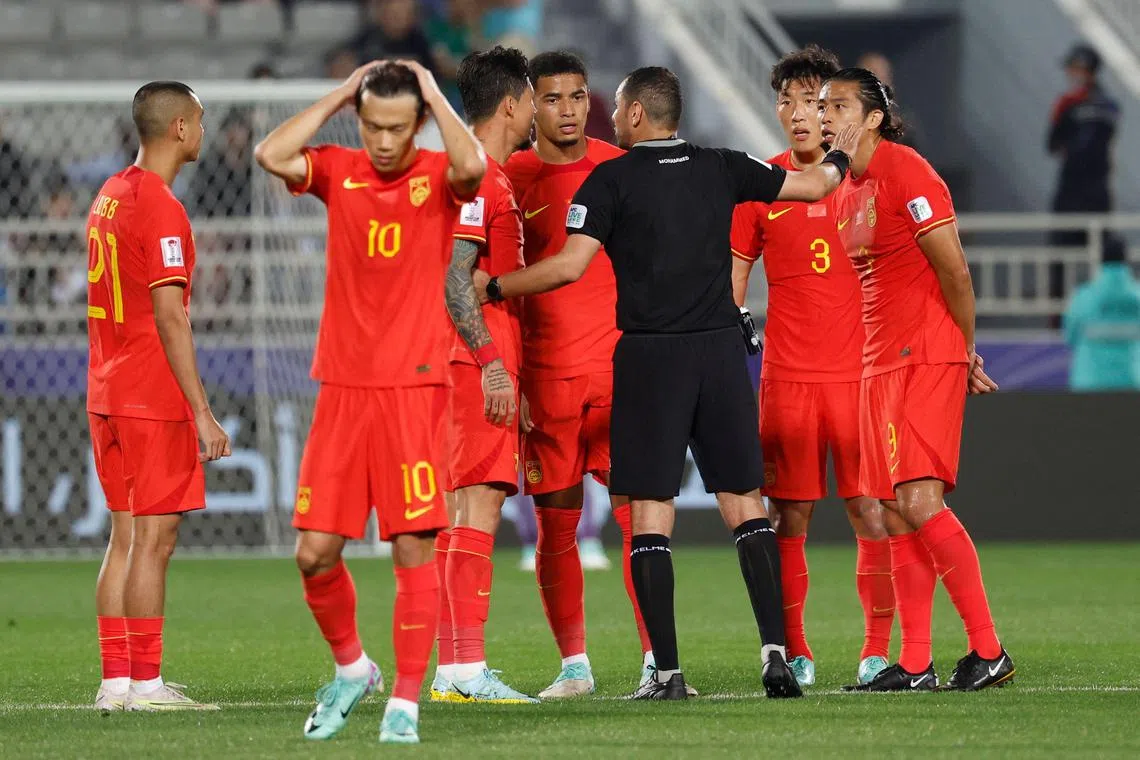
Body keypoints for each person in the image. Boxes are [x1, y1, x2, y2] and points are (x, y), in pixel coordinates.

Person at [477, 65, 861, 700]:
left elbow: (570, 266)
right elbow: (816, 183)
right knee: (747, 508)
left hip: (651, 360)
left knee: (650, 518)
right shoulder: (725, 165)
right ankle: (777, 656)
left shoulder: (611, 178)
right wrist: (842, 150)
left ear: (632, 116)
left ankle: (669, 673)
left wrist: (493, 286)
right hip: (718, 354)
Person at [254, 59, 485, 743]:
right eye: (373, 127)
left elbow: (471, 166)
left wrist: (434, 93)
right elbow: (273, 153)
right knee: (314, 553)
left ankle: (405, 704)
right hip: (344, 391)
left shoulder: (438, 177)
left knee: (414, 547)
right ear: (361, 121)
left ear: (416, 123)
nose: (384, 142)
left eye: (396, 127)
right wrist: (340, 96)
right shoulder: (337, 169)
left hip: (413, 390)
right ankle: (354, 668)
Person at [819, 67, 1015, 692]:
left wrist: (964, 349)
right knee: (893, 514)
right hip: (879, 361)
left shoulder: (908, 171)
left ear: (874, 117)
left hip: (925, 352)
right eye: (822, 107)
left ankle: (989, 650)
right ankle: (914, 663)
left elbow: (955, 273)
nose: (826, 116)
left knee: (921, 502)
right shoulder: (844, 187)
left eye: (839, 105)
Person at [730, 45, 893, 689]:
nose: (799, 114)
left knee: (870, 512)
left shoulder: (868, 182)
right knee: (787, 517)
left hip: (860, 376)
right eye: (789, 100)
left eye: (813, 101)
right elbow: (733, 283)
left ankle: (877, 650)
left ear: (832, 111)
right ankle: (794, 649)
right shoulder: (759, 186)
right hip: (788, 379)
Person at [501, 49, 653, 699]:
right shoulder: (510, 176)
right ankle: (574, 666)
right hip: (548, 382)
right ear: (532, 103)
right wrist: (511, 377)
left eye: (578, 96)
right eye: (554, 98)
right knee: (556, 526)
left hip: (621, 376)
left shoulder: (621, 169)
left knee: (639, 521)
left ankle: (657, 659)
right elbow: (497, 289)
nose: (568, 110)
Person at [88, 81, 230, 712]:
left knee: (122, 538)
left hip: (106, 389)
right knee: (154, 541)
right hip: (151, 393)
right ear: (178, 128)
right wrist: (201, 410)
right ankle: (146, 684)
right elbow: (171, 315)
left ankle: (115, 681)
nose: (203, 130)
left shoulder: (110, 194)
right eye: (198, 120)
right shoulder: (162, 206)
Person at [430, 45, 538, 705]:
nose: (535, 111)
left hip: (473, 363)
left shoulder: (479, 172)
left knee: (464, 508)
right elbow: (454, 276)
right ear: (509, 105)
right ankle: (465, 667)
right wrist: (492, 364)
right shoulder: (479, 176)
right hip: (474, 365)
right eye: (530, 99)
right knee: (476, 505)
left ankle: (454, 667)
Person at [1064, 235, 1140, 391]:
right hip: (1133, 383)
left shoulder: (1084, 296)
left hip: (1090, 384)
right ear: (1125, 260)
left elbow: (1070, 336)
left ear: (1102, 260)